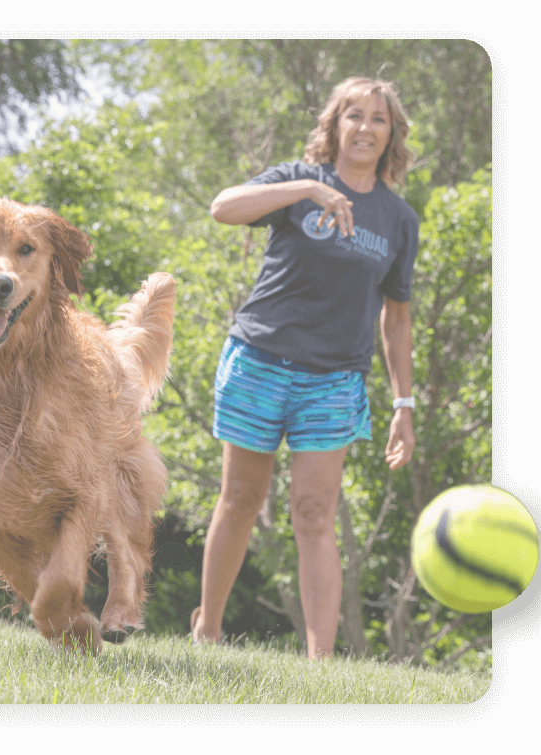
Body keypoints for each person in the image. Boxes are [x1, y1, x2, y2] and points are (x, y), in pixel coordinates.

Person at [192, 77, 419, 660]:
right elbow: (222, 207)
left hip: (334, 380)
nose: (365, 128)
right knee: (240, 499)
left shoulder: (398, 220)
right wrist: (304, 190)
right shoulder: (300, 181)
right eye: (354, 116)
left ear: (391, 134)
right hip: (259, 361)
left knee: (315, 513)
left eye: (378, 119)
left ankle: (321, 668)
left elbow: (396, 322)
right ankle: (208, 632)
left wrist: (403, 405)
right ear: (336, 125)